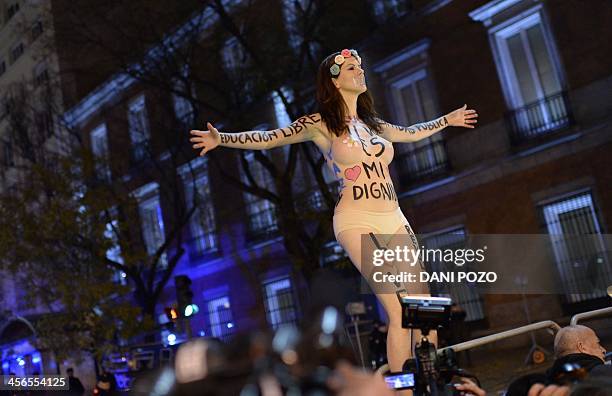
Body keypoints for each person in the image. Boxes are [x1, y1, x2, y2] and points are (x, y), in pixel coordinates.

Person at [190, 48, 478, 378]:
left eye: (360, 66)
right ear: (335, 80)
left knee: (424, 308)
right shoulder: (320, 124)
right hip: (356, 220)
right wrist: (222, 138)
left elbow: (411, 131)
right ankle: (403, 387)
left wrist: (447, 120)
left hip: (394, 216)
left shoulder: (375, 125)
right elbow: (270, 138)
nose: (360, 72)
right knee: (398, 311)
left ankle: (430, 380)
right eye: (352, 68)